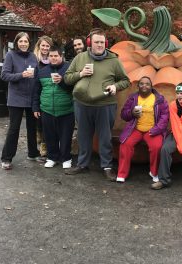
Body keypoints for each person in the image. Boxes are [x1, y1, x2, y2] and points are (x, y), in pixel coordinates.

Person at [64, 28, 130, 180]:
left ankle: (106, 166)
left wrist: (115, 87)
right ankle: (82, 164)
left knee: (105, 137)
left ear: (105, 43)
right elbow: (67, 78)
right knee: (83, 136)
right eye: (96, 42)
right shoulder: (80, 57)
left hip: (105, 104)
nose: (99, 45)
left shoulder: (114, 60)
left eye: (102, 42)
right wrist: (81, 74)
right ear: (89, 43)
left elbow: (125, 80)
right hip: (82, 104)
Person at [0, 32, 42, 170]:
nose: (23, 44)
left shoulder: (33, 56)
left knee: (32, 128)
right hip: (16, 99)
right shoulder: (10, 55)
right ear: (16, 42)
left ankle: (33, 153)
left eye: (26, 41)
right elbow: (4, 75)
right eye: (21, 41)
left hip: (31, 98)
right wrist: (21, 75)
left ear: (29, 43)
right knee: (14, 129)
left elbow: (36, 75)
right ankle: (6, 158)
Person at [116, 76, 169, 183]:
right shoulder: (133, 98)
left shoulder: (159, 99)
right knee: (125, 144)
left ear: (151, 86)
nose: (144, 86)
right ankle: (122, 173)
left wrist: (156, 129)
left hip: (153, 130)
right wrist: (131, 113)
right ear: (138, 86)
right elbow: (123, 115)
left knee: (157, 147)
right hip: (135, 129)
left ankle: (154, 172)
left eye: (147, 84)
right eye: (141, 84)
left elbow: (165, 116)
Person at [32, 46, 74, 169]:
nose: (53, 58)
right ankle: (52, 157)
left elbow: (74, 88)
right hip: (47, 109)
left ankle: (66, 158)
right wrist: (35, 108)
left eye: (56, 56)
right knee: (49, 135)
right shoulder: (42, 71)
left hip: (66, 109)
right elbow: (36, 91)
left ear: (61, 56)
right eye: (51, 56)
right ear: (48, 57)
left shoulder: (69, 69)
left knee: (66, 135)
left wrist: (62, 81)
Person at [33, 35, 53, 157]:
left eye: (47, 46)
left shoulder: (53, 59)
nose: (45, 48)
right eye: (43, 45)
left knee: (46, 121)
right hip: (35, 91)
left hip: (47, 93)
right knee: (38, 119)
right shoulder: (33, 59)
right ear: (39, 46)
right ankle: (39, 136)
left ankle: (44, 144)